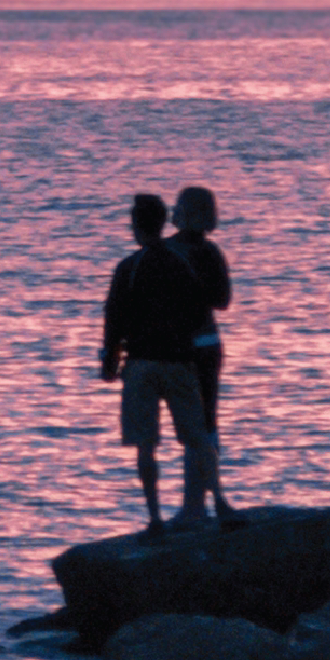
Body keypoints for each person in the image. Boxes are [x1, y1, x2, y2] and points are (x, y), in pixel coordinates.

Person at [100, 191, 215, 537]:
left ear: (136, 227)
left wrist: (109, 360)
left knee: (145, 445)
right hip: (179, 361)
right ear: (163, 223)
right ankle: (218, 502)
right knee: (197, 438)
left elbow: (114, 319)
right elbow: (199, 312)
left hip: (141, 366)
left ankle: (154, 517)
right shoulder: (179, 263)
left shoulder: (128, 268)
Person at [172, 183, 241, 527]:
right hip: (209, 344)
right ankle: (209, 501)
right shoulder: (212, 253)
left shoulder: (168, 251)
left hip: (181, 348)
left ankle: (194, 507)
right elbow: (223, 301)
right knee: (208, 425)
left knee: (190, 428)